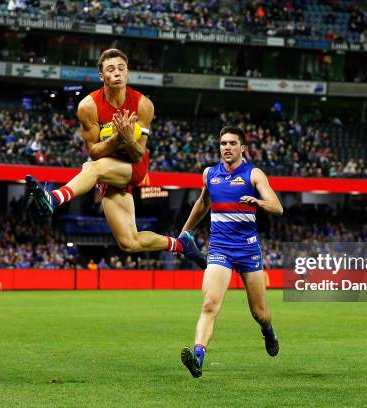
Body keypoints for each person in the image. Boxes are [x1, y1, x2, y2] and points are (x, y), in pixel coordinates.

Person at [25, 48, 205, 268]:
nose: (117, 72)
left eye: (122, 68)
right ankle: (182, 245)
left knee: (91, 168)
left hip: (134, 166)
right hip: (110, 170)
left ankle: (53, 198)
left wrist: (127, 138)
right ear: (102, 76)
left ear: (128, 72)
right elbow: (93, 150)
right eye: (111, 69)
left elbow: (138, 153)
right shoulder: (88, 107)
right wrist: (116, 139)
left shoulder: (143, 105)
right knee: (129, 242)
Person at [179, 126, 283, 378]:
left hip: (248, 251)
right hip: (219, 249)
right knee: (209, 304)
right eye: (223, 143)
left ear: (242, 148)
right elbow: (203, 203)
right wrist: (184, 233)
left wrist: (258, 202)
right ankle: (198, 357)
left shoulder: (253, 174)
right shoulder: (209, 174)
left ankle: (268, 331)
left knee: (259, 313)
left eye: (232, 143)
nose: (227, 147)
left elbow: (277, 207)